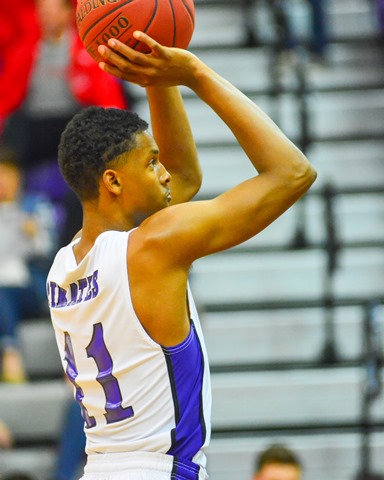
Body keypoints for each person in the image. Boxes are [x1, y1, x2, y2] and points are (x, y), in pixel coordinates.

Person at [46, 31, 316, 480]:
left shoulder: (62, 268)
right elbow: (293, 172)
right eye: (152, 163)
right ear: (113, 182)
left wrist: (156, 76)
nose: (164, 173)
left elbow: (183, 175)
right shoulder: (153, 244)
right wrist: (195, 73)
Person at [0, 146, 57, 382]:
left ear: (18, 177)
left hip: (28, 286)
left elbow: (50, 248)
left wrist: (34, 234)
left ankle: (11, 353)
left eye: (6, 175)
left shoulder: (36, 206)